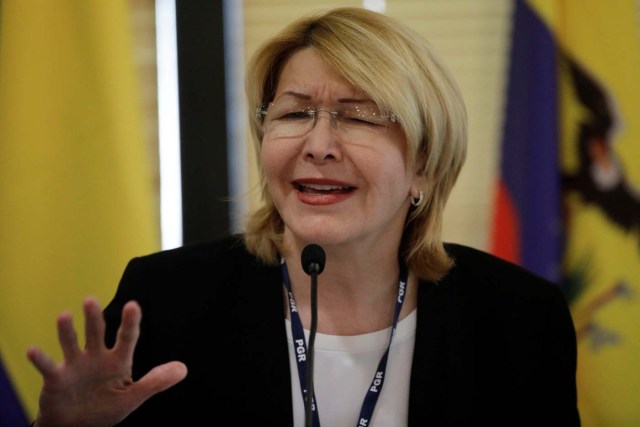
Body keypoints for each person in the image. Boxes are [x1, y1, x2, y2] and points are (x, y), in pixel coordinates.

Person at [26, 6, 580, 426]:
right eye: (294, 113)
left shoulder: (519, 318)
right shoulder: (167, 298)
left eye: (358, 117)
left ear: (425, 169)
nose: (318, 144)